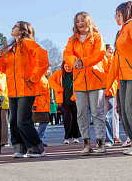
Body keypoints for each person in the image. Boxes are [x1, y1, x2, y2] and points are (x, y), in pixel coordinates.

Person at [0, 21, 49, 158]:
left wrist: (33, 77)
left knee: (22, 120)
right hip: (13, 90)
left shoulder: (27, 43)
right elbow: (3, 69)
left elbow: (43, 58)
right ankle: (19, 148)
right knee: (14, 121)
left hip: (27, 88)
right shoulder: (12, 47)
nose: (12, 27)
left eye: (15, 26)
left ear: (22, 30)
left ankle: (37, 148)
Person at [106, 1, 132, 156]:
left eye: (116, 14)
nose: (115, 17)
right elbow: (116, 59)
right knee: (125, 111)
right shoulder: (121, 31)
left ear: (121, 12)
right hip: (124, 77)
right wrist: (108, 84)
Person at [63, 11, 107, 156]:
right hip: (79, 81)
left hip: (96, 79)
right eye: (77, 21)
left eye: (82, 20)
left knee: (97, 113)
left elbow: (100, 53)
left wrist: (84, 62)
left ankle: (101, 142)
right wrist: (74, 63)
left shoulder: (97, 37)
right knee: (81, 114)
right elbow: (67, 54)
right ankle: (86, 144)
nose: (80, 23)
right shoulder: (72, 40)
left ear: (88, 21)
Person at [49, 61, 80, 144]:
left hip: (76, 99)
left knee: (76, 118)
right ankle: (67, 137)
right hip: (64, 100)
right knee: (68, 118)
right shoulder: (59, 73)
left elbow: (80, 84)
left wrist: (75, 95)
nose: (68, 68)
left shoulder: (77, 73)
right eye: (66, 66)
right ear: (63, 66)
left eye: (69, 66)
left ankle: (76, 137)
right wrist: (58, 88)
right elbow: (50, 80)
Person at [32, 66, 51, 147]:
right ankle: (38, 139)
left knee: (44, 121)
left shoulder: (44, 78)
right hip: (39, 105)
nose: (48, 71)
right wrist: (34, 105)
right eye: (47, 69)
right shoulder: (40, 79)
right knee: (44, 121)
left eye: (49, 70)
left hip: (44, 105)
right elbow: (35, 92)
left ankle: (39, 139)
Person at [103, 44, 117, 147]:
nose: (111, 51)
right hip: (97, 88)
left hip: (109, 90)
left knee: (108, 116)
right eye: (109, 50)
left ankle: (109, 139)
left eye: (112, 50)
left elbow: (113, 69)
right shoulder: (99, 57)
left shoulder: (111, 59)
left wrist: (108, 57)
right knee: (100, 116)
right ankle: (102, 139)